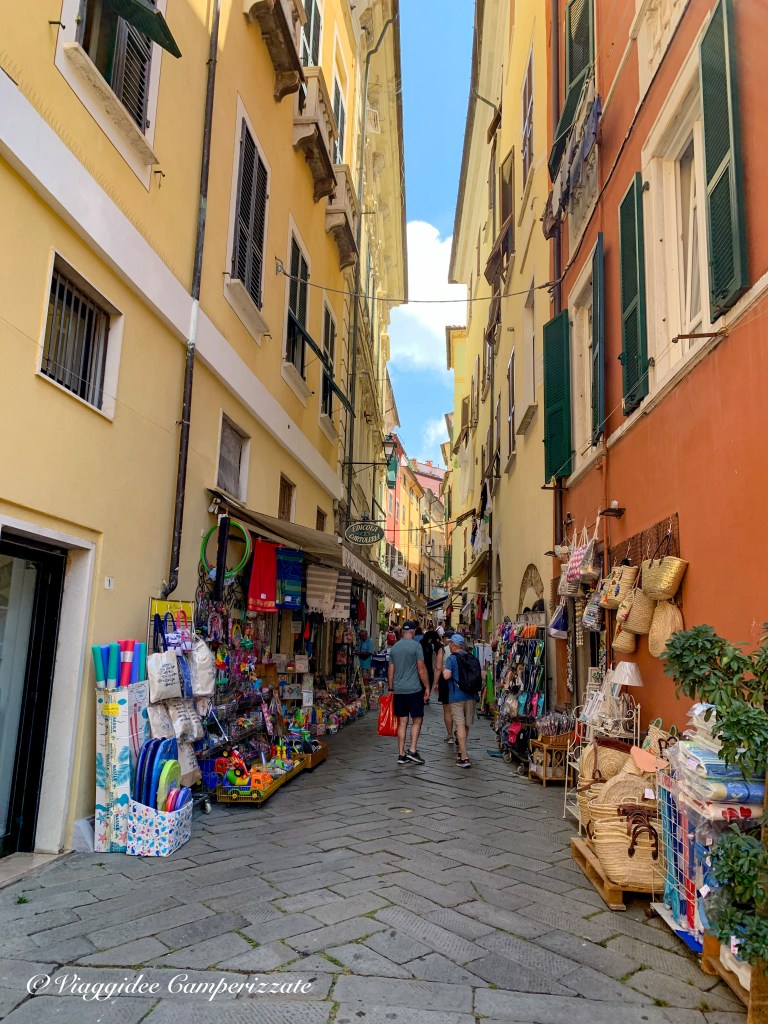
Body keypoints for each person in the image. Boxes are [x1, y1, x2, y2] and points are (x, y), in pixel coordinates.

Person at [387, 620, 430, 765]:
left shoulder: (394, 648)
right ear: (413, 632)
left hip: (399, 690)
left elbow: (390, 672)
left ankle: (401, 754)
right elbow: (421, 669)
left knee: (402, 722)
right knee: (417, 720)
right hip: (414, 689)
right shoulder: (416, 646)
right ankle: (412, 750)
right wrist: (427, 686)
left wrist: (391, 688)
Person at [442, 633, 482, 768]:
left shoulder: (451, 659)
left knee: (459, 725)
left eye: (450, 644)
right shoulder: (472, 657)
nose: (449, 646)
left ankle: (464, 757)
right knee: (466, 725)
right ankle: (460, 750)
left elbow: (447, 676)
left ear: (454, 645)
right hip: (471, 696)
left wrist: (443, 671)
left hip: (457, 696)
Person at [421, 628, 443, 714]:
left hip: (426, 666)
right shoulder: (429, 646)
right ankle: (425, 697)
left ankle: (424, 696)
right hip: (428, 667)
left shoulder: (424, 645)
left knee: (425, 681)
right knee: (428, 681)